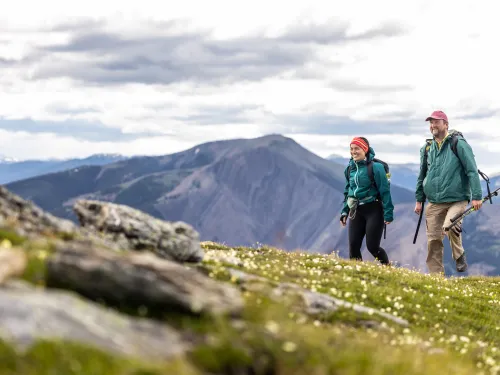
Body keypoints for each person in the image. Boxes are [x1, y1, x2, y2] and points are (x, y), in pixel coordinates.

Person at [414, 110, 483, 274]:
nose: (433, 125)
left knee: (450, 226)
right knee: (433, 240)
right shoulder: (427, 148)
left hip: (457, 199)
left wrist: (477, 196)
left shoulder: (458, 143)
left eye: (437, 122)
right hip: (435, 201)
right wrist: (419, 200)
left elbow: (472, 170)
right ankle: (436, 276)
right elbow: (422, 174)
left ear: (446, 124)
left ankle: (459, 255)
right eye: (431, 122)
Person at [340, 137, 394, 265]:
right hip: (356, 210)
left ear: (365, 149)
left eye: (357, 148)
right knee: (353, 246)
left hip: (374, 209)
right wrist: (344, 211)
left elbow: (385, 191)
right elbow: (348, 191)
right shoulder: (349, 169)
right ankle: (356, 274)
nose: (353, 152)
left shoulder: (376, 167)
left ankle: (388, 268)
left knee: (372, 247)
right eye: (351, 149)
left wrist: (388, 213)